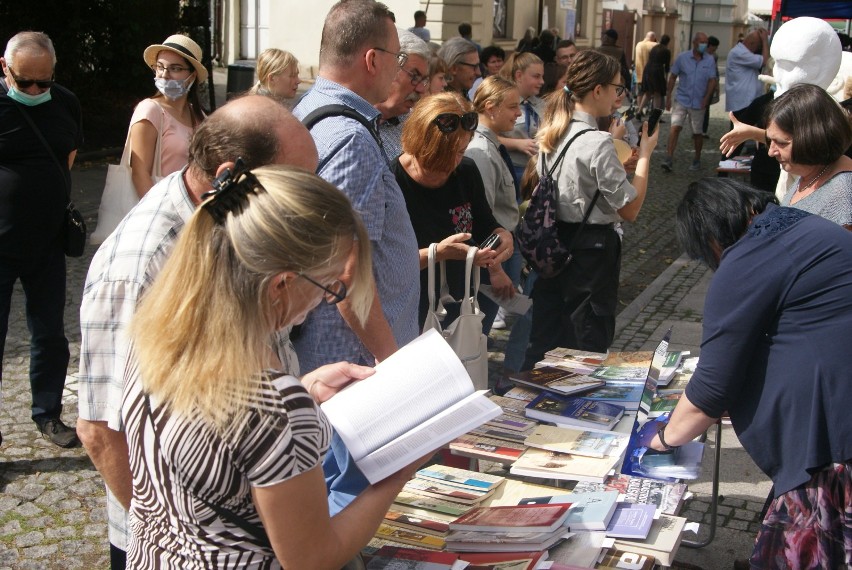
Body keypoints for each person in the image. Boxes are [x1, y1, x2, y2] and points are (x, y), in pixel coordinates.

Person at [122, 165, 426, 569]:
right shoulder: (274, 404)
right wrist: (395, 475)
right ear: (281, 284)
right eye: (329, 284)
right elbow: (312, 559)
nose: (328, 299)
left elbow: (219, 436)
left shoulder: (156, 336)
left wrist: (306, 387)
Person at [77, 95, 319, 569]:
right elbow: (102, 432)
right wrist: (173, 534)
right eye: (296, 179)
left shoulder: (230, 221)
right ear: (232, 175)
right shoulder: (143, 261)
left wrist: (303, 389)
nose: (309, 192)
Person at [647, 178, 852, 568]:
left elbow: (711, 387)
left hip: (834, 435)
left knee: (804, 549)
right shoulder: (802, 225)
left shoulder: (746, 259)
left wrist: (663, 439)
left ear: (709, 238)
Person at [292, 0, 421, 516]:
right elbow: (343, 278)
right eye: (396, 56)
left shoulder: (310, 113)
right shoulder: (348, 137)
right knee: (345, 507)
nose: (399, 68)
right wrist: (396, 373)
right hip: (353, 372)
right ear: (372, 59)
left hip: (337, 364)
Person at [522, 50, 659, 369]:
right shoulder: (596, 142)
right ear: (598, 90)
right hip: (591, 254)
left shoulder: (553, 132)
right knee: (586, 343)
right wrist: (646, 158)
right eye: (617, 89)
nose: (619, 97)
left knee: (547, 338)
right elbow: (630, 209)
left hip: (555, 245)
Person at [0, 30, 82, 450]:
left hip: (47, 242)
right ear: (4, 69)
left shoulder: (65, 102)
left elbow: (66, 158)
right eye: (24, 81)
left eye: (42, 82)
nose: (34, 89)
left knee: (50, 334)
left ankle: (48, 414)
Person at [395, 93, 512, 329]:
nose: (454, 163)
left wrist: (503, 236)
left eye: (462, 151)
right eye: (448, 155)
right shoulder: (392, 181)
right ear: (423, 145)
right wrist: (438, 253)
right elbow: (386, 266)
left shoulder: (466, 171)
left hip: (463, 302)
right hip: (412, 306)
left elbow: (485, 223)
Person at [720, 17, 843, 195]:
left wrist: (754, 134)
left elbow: (805, 149)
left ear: (816, 68)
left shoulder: (831, 119)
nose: (777, 74)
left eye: (786, 65)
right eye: (775, 63)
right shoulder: (778, 105)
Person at [131, 34, 207, 198]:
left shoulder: (200, 117)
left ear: (192, 75)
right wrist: (159, 215)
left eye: (175, 68)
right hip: (158, 210)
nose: (164, 75)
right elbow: (139, 173)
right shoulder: (150, 110)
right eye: (160, 67)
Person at [766, 84, 852, 228]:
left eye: (781, 143)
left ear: (813, 138)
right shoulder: (811, 173)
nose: (771, 152)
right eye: (769, 141)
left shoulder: (843, 192)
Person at [661, 32, 717, 172]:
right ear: (695, 42)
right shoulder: (682, 58)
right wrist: (668, 96)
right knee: (675, 127)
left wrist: (707, 98)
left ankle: (697, 159)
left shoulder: (709, 60)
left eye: (706, 42)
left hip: (699, 102)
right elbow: (673, 76)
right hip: (681, 99)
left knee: (697, 132)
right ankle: (669, 158)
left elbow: (712, 80)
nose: (705, 45)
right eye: (702, 42)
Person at [375, 29, 430, 160]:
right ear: (386, 67)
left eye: (424, 80)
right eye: (415, 76)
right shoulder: (344, 125)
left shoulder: (415, 126)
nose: (421, 89)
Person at [498, 52, 545, 181]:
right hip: (511, 169)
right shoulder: (501, 104)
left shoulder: (542, 105)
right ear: (519, 75)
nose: (542, 81)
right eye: (536, 76)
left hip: (538, 170)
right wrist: (517, 144)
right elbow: (485, 134)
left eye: (542, 76)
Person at [724, 29, 769, 116]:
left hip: (746, 102)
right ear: (752, 43)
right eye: (759, 46)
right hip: (742, 103)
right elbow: (765, 61)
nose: (759, 49)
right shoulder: (739, 53)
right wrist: (764, 41)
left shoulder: (743, 52)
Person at [643, 34, 671, 114]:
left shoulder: (654, 48)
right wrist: (666, 78)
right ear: (668, 42)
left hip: (647, 69)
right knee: (657, 93)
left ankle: (639, 111)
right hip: (657, 71)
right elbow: (667, 67)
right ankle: (655, 114)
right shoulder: (666, 51)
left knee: (647, 92)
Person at [700, 36, 720, 139]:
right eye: (715, 47)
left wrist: (716, 84)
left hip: (709, 84)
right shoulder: (704, 55)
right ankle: (699, 129)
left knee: (706, 108)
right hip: (703, 84)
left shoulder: (714, 56)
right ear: (710, 46)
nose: (715, 49)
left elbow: (715, 72)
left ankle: (703, 130)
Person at [633, 31, 657, 116]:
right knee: (650, 93)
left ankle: (640, 109)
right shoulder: (653, 45)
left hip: (638, 71)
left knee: (640, 92)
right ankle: (645, 110)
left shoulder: (638, 44)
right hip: (649, 73)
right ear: (653, 38)